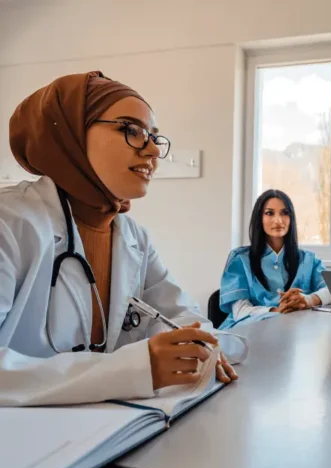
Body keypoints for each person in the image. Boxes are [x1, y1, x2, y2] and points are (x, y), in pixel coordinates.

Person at [0, 71, 242, 407]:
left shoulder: (133, 238)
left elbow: (182, 313)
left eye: (155, 137)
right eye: (132, 130)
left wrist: (198, 346)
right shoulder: (9, 223)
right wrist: (133, 369)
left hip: (103, 432)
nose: (154, 151)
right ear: (70, 135)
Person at [218, 190, 331, 328]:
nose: (278, 220)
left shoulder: (309, 260)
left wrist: (308, 300)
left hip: (295, 333)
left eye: (284, 213)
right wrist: (276, 311)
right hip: (249, 332)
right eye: (269, 213)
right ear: (259, 218)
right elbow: (240, 311)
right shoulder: (240, 260)